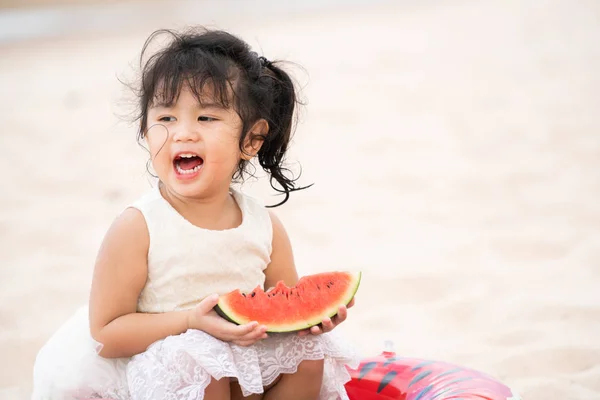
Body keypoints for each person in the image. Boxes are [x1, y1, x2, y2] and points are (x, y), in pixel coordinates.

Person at [31, 27, 359, 400]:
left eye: (206, 118)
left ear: (251, 140)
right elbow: (106, 334)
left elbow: (282, 307)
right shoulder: (139, 226)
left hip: (243, 371)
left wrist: (310, 321)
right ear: (146, 130)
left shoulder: (265, 227)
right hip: (165, 375)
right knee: (203, 364)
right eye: (166, 118)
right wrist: (190, 323)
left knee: (311, 355)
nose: (183, 133)